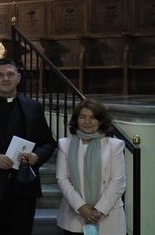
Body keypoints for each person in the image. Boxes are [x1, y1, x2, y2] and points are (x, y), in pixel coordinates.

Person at [0, 58, 57, 235]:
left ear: (18, 77)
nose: (5, 78)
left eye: (10, 74)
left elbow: (48, 142)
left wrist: (36, 157)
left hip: (23, 188)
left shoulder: (34, 108)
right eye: (0, 75)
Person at [56, 99, 126, 235]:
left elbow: (118, 181)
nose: (87, 121)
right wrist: (81, 207)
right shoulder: (65, 144)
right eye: (82, 117)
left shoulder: (114, 145)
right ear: (76, 120)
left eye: (93, 117)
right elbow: (62, 179)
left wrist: (98, 210)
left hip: (107, 216)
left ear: (100, 121)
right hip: (74, 217)